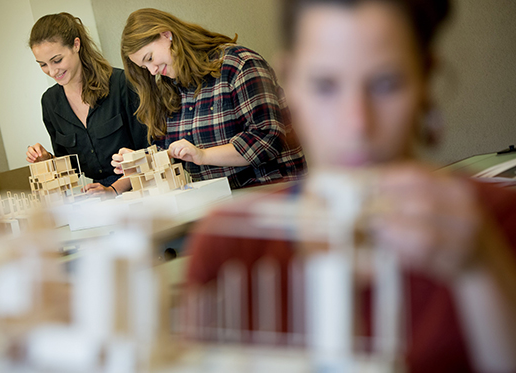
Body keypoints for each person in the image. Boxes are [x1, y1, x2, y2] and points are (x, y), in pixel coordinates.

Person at [184, 0, 516, 372]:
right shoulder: (230, 246)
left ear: (426, 79)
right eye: (325, 85)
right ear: (290, 83)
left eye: (386, 84)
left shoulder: (498, 221)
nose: (356, 122)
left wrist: (482, 271)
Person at [114, 8, 306, 189]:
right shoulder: (169, 87)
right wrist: (143, 161)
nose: (153, 70)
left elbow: (267, 139)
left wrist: (202, 155)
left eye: (149, 58)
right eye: (144, 67)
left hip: (271, 193)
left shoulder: (238, 64)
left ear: (166, 35)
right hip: (216, 200)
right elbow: (173, 151)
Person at [27, 13, 148, 198]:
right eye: (42, 64)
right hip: (98, 194)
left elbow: (148, 153)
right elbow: (70, 168)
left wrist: (114, 189)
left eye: (57, 60)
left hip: (141, 188)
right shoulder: (50, 102)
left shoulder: (121, 84)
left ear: (76, 45)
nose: (51, 71)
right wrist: (47, 160)